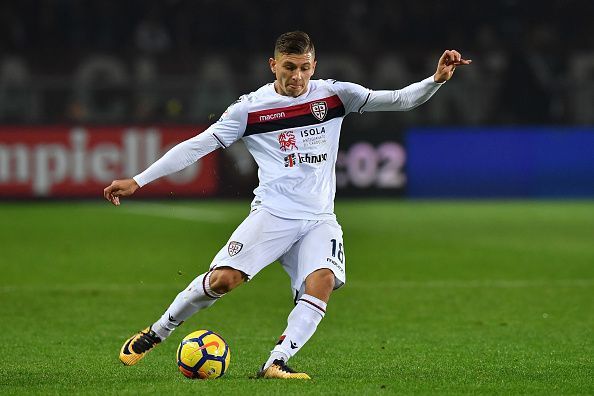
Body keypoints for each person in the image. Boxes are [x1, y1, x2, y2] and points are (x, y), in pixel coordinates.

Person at [103, 31, 471, 379]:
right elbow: (198, 145)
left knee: (322, 281)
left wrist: (435, 80)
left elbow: (400, 99)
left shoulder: (336, 96)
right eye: (289, 67)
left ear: (314, 65)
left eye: (305, 67)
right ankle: (157, 331)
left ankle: (276, 362)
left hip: (318, 218)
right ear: (273, 65)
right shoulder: (250, 110)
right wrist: (139, 180)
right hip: (273, 215)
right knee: (222, 280)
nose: (298, 76)